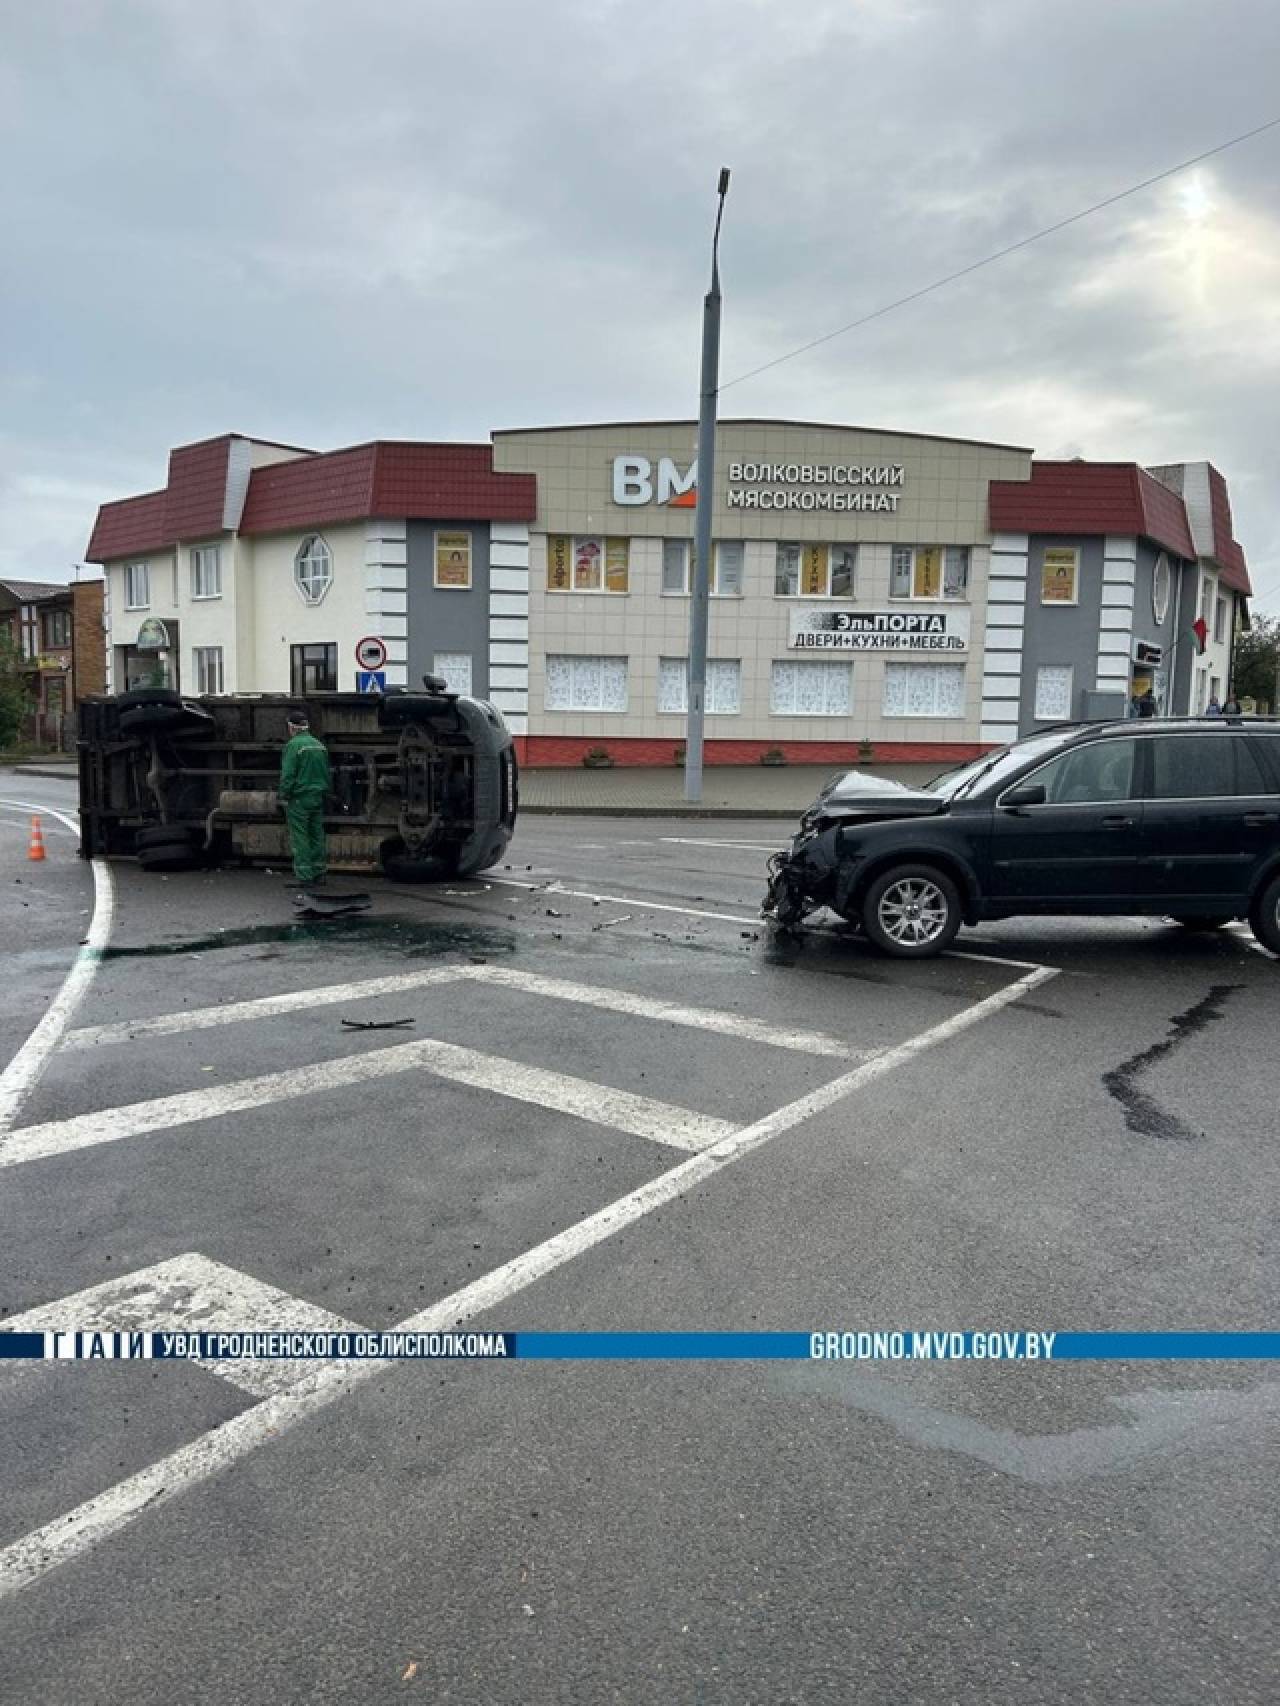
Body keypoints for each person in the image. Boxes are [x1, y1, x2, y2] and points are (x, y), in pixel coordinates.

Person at [278, 711, 331, 887]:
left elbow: (288, 775)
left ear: (292, 727)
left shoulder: (294, 746)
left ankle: (305, 876)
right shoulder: (319, 745)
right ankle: (319, 873)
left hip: (299, 799)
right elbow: (326, 773)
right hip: (317, 797)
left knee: (301, 837)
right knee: (317, 835)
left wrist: (283, 795)